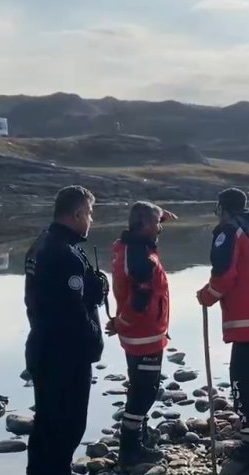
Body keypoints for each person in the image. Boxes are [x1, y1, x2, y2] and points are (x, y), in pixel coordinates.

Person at [23, 185, 108, 475]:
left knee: (47, 427)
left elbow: (39, 300)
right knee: (66, 428)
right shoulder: (63, 253)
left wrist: (92, 289)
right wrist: (93, 340)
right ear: (77, 214)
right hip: (65, 356)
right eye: (90, 213)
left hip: (43, 346)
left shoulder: (42, 244)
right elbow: (70, 312)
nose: (91, 220)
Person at [196, 188, 249, 475]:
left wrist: (207, 296)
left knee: (244, 390)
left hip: (246, 323)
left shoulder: (231, 231)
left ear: (222, 208)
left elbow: (224, 275)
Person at [107, 201, 177, 468]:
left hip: (141, 333)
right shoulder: (139, 256)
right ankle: (130, 450)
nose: (160, 228)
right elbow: (139, 298)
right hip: (143, 334)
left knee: (141, 387)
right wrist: (121, 322)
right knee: (144, 393)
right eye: (157, 223)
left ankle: (139, 440)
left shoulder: (131, 246)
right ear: (146, 225)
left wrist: (159, 215)